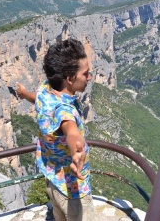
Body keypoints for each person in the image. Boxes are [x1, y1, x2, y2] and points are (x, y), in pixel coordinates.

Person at [15, 38, 94, 221]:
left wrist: (24, 94)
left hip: (52, 180)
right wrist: (77, 152)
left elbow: (40, 101)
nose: (89, 77)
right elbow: (71, 131)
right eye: (86, 74)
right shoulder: (64, 111)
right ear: (70, 79)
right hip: (72, 191)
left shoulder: (46, 89)